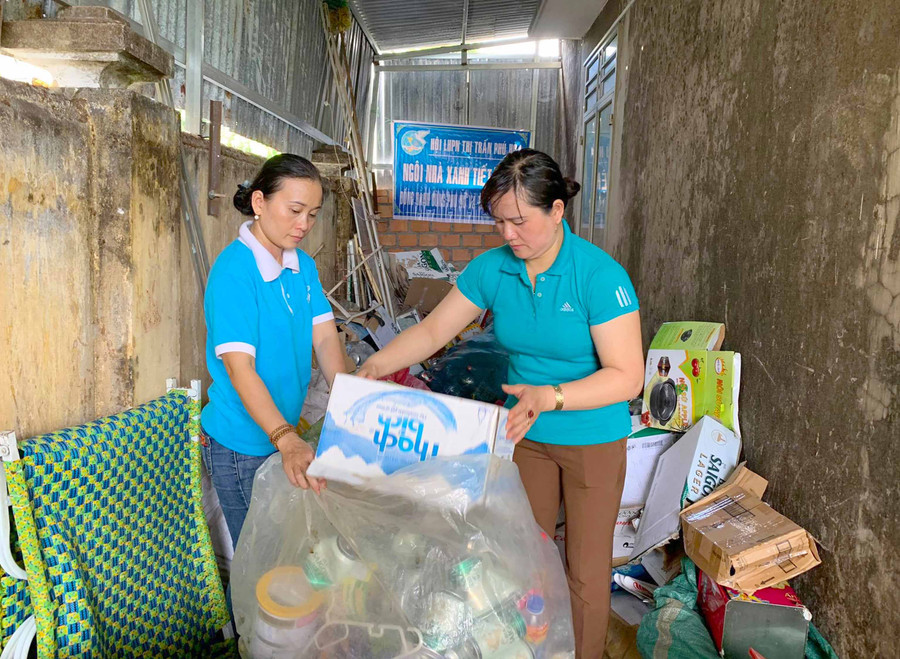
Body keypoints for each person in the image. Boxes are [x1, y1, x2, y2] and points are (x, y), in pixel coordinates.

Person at [358, 149, 644, 657]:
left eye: (519, 221)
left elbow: (628, 378)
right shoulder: (492, 269)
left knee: (585, 571)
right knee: (525, 558)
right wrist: (375, 367)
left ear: (557, 211)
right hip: (525, 435)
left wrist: (551, 396)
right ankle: (533, 649)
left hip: (592, 440)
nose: (508, 234)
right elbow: (432, 331)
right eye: (498, 222)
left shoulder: (599, 277)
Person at [201, 154, 347, 551]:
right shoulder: (235, 272)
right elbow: (240, 369)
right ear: (259, 202)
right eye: (295, 211)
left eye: (312, 214)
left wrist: (353, 403)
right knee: (259, 557)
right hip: (242, 443)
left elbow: (325, 338)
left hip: (282, 434)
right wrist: (287, 439)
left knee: (284, 548)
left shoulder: (302, 265)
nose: (304, 225)